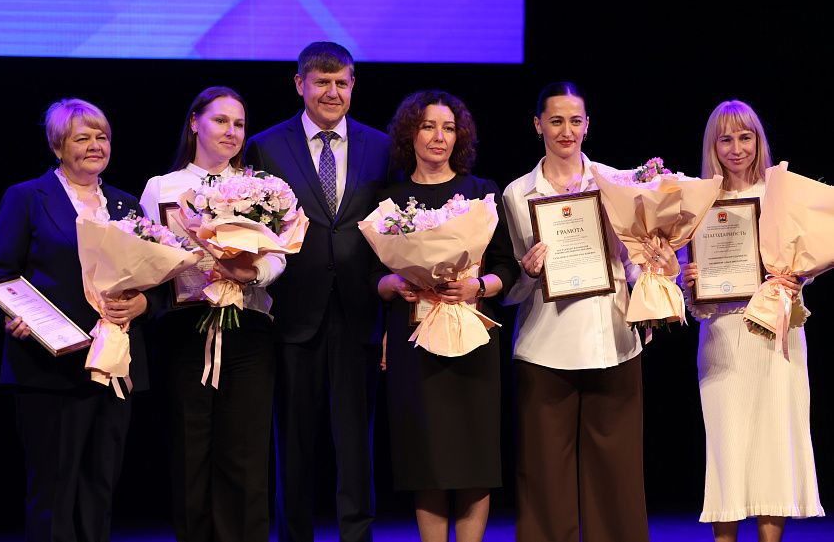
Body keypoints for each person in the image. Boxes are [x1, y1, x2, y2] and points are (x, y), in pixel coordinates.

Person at [502, 82, 669, 542]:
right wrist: (528, 273)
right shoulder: (517, 193)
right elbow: (511, 286)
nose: (566, 130)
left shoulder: (617, 183)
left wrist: (654, 271)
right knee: (544, 482)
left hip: (612, 342)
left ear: (588, 125)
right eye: (556, 120)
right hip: (544, 348)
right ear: (537, 125)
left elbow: (634, 263)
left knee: (616, 480)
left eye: (575, 121)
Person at [0, 98, 150, 542]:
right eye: (83, 138)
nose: (96, 145)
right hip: (50, 367)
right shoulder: (26, 197)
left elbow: (153, 282)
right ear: (58, 147)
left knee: (101, 488)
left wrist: (142, 305)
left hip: (113, 368)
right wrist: (15, 316)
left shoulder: (126, 204)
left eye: (102, 137)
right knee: (53, 491)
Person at [244, 41, 390, 542]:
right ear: (299, 84)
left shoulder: (380, 146)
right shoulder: (266, 146)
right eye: (321, 82)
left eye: (341, 83)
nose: (332, 92)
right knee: (293, 442)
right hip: (292, 315)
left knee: (357, 444)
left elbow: (390, 232)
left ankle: (358, 537)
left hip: (359, 313)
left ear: (353, 86)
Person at [140, 86, 285, 542]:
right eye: (221, 120)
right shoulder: (163, 187)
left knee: (245, 456)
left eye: (239, 124)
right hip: (185, 330)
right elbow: (146, 254)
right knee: (190, 452)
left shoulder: (263, 187)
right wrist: (181, 263)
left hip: (248, 328)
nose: (231, 131)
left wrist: (251, 272)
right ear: (194, 123)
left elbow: (281, 254)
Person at [374, 90, 518, 542]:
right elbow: (370, 276)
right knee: (427, 458)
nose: (439, 136)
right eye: (428, 126)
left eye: (449, 128)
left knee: (475, 456)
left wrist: (480, 286)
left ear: (460, 137)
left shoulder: (482, 192)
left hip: (473, 335)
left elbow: (507, 266)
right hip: (415, 340)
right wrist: (391, 283)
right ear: (410, 133)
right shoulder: (389, 198)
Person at [679, 100, 824, 542]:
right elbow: (692, 295)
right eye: (726, 139)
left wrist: (798, 277)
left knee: (775, 451)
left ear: (758, 141)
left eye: (745, 137)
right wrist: (689, 280)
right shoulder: (698, 202)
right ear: (713, 145)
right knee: (728, 452)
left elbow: (805, 261)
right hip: (723, 339)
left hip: (776, 338)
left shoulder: (780, 194)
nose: (737, 148)